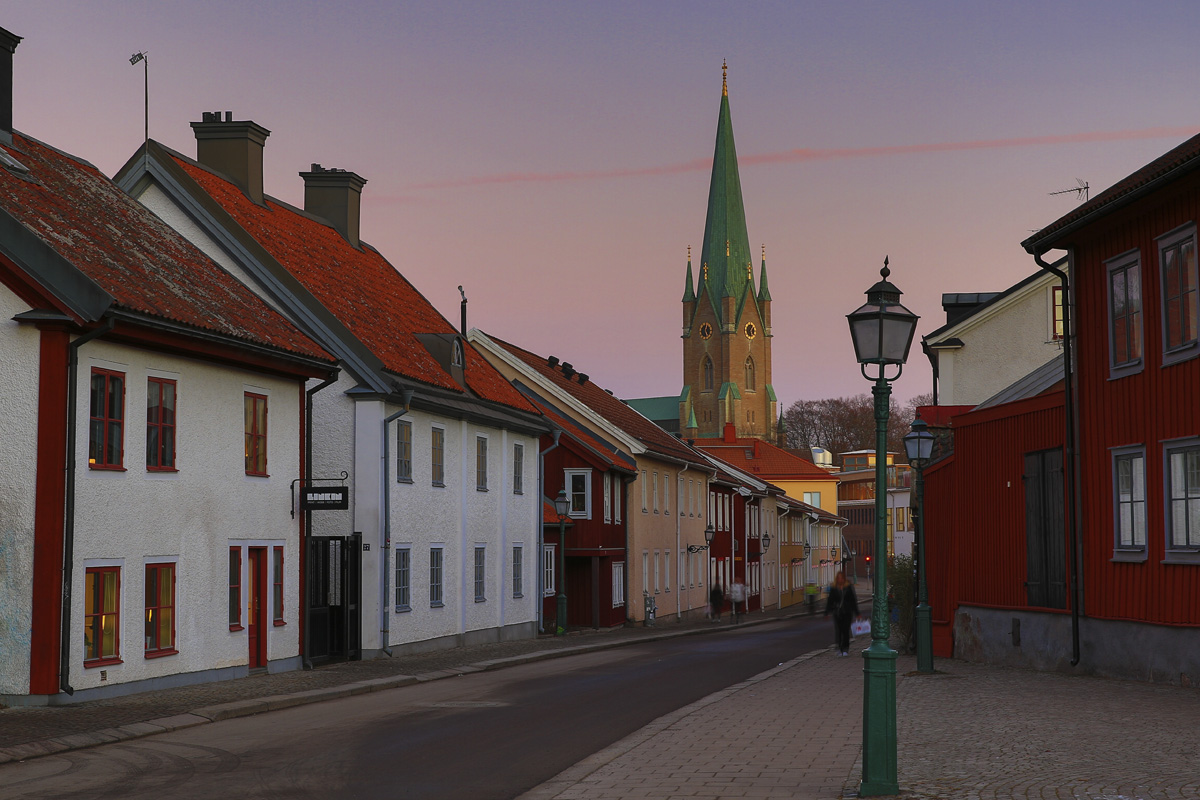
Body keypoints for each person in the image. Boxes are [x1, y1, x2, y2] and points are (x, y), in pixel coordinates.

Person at [824, 571, 860, 656]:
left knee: (846, 631)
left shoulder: (848, 587)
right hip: (837, 612)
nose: (840, 580)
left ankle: (845, 648)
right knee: (839, 631)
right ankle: (839, 648)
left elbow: (853, 600)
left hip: (847, 612)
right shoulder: (834, 588)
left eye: (841, 578)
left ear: (844, 579)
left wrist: (857, 613)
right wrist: (827, 612)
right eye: (839, 578)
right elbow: (830, 601)